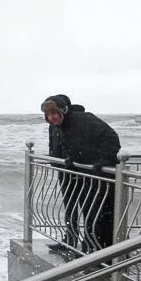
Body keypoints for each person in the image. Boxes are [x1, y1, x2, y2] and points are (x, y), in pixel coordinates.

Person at [41, 94, 121, 254]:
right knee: (79, 210)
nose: (52, 117)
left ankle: (95, 249)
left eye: (54, 113)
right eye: (48, 115)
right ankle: (82, 244)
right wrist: (68, 158)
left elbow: (110, 138)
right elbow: (75, 145)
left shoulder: (82, 120)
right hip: (76, 170)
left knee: (94, 212)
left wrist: (104, 160)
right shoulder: (59, 125)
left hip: (94, 174)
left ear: (63, 110)